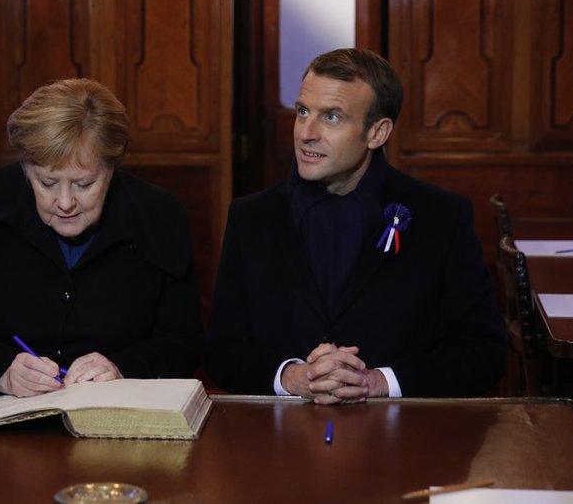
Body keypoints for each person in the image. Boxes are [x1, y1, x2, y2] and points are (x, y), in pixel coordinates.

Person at [204, 48, 506, 403]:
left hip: (405, 443)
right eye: (303, 112)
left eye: (332, 117)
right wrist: (293, 377)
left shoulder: (442, 217)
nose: (306, 133)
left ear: (377, 133)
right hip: (279, 440)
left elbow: (483, 353)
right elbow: (221, 352)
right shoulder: (251, 217)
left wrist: (378, 382)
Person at [0, 78, 201, 400]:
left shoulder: (159, 214)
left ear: (112, 168)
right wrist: (0, 371)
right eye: (47, 183)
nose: (65, 203)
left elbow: (185, 341)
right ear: (25, 168)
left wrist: (123, 367)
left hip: (115, 421)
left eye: (84, 184)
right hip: (2, 419)